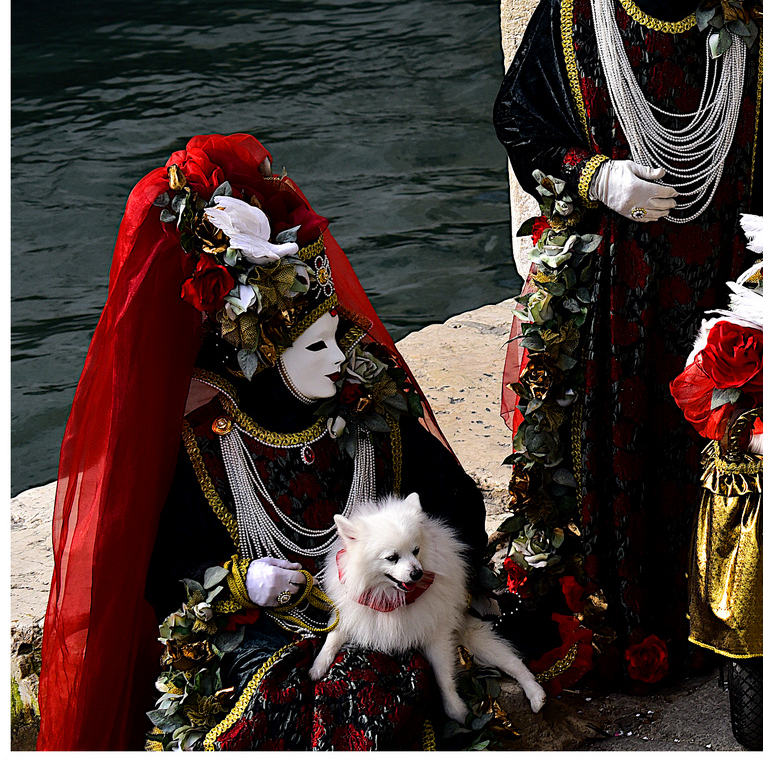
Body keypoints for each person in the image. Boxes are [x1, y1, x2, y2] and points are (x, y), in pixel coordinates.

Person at [491, 0, 763, 685]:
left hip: (715, 270)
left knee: (713, 437)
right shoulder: (572, 12)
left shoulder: (742, 24)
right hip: (613, 283)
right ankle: (623, 614)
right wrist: (602, 179)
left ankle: (727, 610)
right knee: (616, 438)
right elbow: (518, 119)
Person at [39, 134, 485, 750]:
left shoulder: (373, 415)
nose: (339, 361)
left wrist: (420, 581)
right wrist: (242, 580)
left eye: (337, 340)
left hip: (380, 620)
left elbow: (456, 503)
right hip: (261, 629)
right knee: (269, 703)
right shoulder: (211, 441)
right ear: (270, 358)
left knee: (371, 691)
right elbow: (166, 564)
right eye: (318, 348)